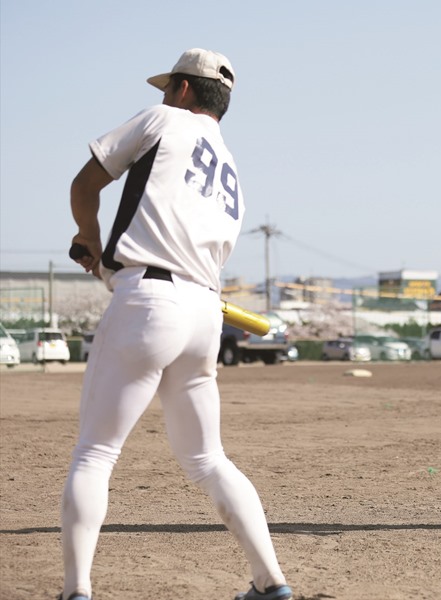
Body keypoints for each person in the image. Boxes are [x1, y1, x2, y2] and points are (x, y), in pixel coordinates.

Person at [60, 49, 293, 600]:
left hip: (150, 300)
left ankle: (75, 591)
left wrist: (90, 240)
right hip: (202, 311)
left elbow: (84, 185)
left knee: (95, 454)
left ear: (185, 90)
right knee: (209, 459)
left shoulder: (162, 117)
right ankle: (270, 582)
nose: (166, 94)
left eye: (172, 87)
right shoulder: (231, 163)